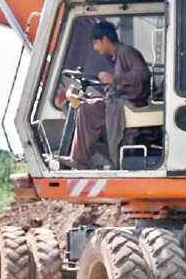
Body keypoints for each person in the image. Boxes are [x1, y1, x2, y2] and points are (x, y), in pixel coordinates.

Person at [64, 20, 150, 170]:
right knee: (86, 106)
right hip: (122, 100)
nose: (95, 48)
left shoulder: (125, 52)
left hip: (129, 103)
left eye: (96, 43)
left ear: (105, 39)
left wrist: (114, 79)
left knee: (86, 108)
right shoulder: (118, 56)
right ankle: (80, 157)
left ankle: (80, 159)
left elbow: (143, 73)